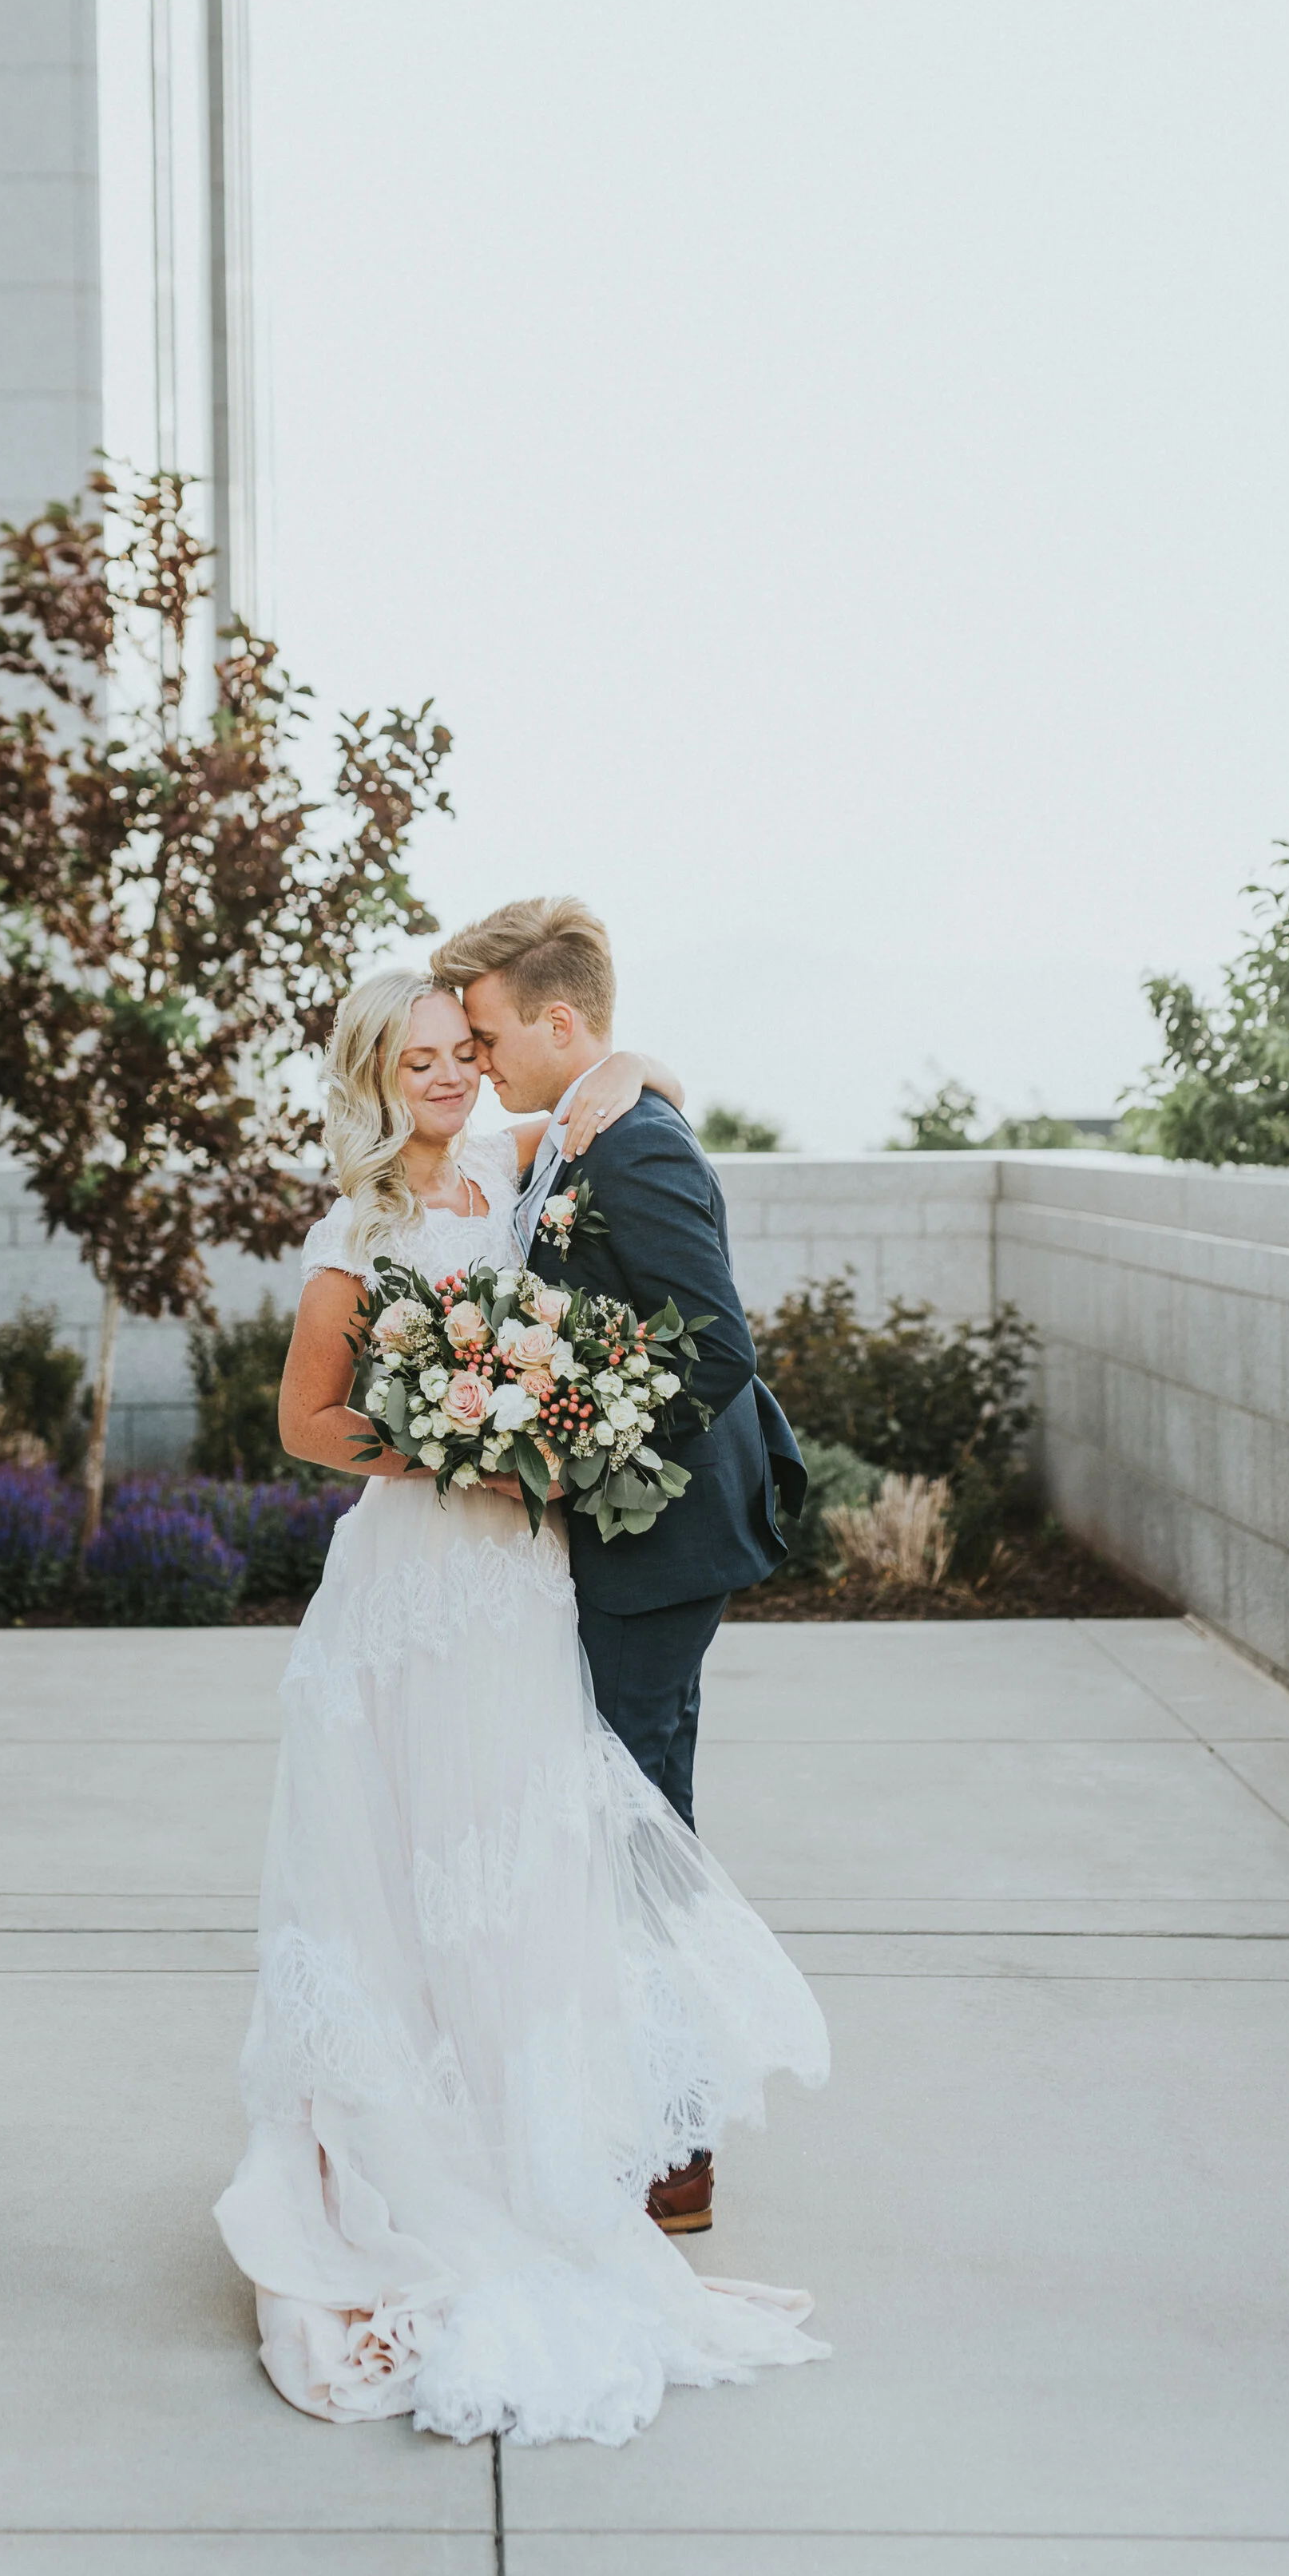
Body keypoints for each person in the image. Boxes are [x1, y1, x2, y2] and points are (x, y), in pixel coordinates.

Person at [213, 965, 829, 2448]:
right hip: (412, 1586)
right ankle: (400, 2173)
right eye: (418, 1058)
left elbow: (616, 1092)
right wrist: (444, 1445)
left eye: (458, 1051)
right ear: (373, 1075)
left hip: (523, 1589)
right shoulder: (355, 1226)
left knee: (520, 1870)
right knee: (397, 1880)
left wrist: (639, 1069)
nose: (446, 1075)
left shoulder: (515, 1165)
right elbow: (304, 1421)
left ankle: (541, 2156)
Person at [430, 895, 810, 2238]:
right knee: (603, 1822)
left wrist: (558, 1429)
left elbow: (715, 1350)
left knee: (641, 1830)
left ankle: (679, 2145)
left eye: (485, 1036)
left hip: (652, 1547)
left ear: (559, 1020)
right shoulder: (589, 1121)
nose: (475, 1063)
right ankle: (628, 2110)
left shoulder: (635, 1144)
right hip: (604, 1543)